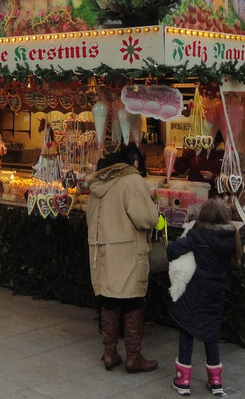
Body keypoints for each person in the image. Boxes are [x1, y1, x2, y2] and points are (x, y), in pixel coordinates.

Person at [83, 145, 162, 374]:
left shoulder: (98, 184)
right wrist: (156, 212)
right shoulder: (131, 180)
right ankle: (133, 358)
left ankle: (110, 353)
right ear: (135, 163)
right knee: (133, 300)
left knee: (108, 299)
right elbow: (146, 218)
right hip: (127, 251)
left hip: (102, 252)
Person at [167, 198, 242, 396]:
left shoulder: (198, 234)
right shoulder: (231, 235)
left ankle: (183, 380)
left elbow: (172, 251)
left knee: (187, 327)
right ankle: (216, 380)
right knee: (211, 332)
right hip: (217, 290)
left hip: (197, 288)